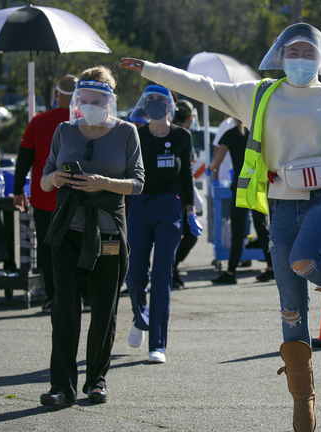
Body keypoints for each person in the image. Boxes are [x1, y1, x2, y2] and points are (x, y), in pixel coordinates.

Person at [119, 23, 321, 431]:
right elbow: (204, 87)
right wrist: (151, 70)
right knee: (290, 311)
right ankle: (304, 403)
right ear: (280, 57)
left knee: (304, 259)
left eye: (308, 52)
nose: (300, 59)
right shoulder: (259, 95)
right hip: (281, 207)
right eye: (293, 52)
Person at [38, 66, 145, 407]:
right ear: (76, 101)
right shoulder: (64, 130)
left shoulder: (127, 132)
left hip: (108, 231)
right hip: (68, 230)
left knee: (103, 309)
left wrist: (104, 184)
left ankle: (96, 380)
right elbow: (42, 180)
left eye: (97, 100)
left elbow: (138, 183)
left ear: (110, 100)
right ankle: (62, 386)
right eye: (83, 100)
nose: (89, 105)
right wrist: (55, 178)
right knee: (64, 309)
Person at [125, 85, 203, 364]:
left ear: (171, 105)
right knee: (135, 275)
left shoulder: (183, 136)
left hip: (170, 206)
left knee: (161, 276)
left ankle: (158, 344)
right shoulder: (136, 134)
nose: (156, 104)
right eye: (151, 100)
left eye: (161, 100)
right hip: (140, 204)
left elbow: (187, 174)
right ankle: (140, 316)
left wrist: (190, 211)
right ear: (144, 105)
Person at [13, 74, 91, 313]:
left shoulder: (38, 121)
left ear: (56, 95)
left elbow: (23, 160)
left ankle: (52, 297)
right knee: (82, 247)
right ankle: (85, 295)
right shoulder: (85, 121)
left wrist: (18, 191)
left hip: (45, 197)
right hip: (79, 197)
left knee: (48, 250)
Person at [207, 117, 274, 284]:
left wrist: (209, 169)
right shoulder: (258, 133)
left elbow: (217, 161)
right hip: (258, 183)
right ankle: (271, 268)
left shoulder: (230, 134)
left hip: (241, 185)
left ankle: (230, 273)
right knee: (261, 226)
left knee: (237, 230)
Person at [171, 99, 199, 288]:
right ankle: (171, 269)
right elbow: (187, 172)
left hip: (174, 194)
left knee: (186, 235)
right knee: (183, 235)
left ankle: (171, 268)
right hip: (176, 195)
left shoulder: (170, 132)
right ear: (190, 117)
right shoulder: (181, 135)